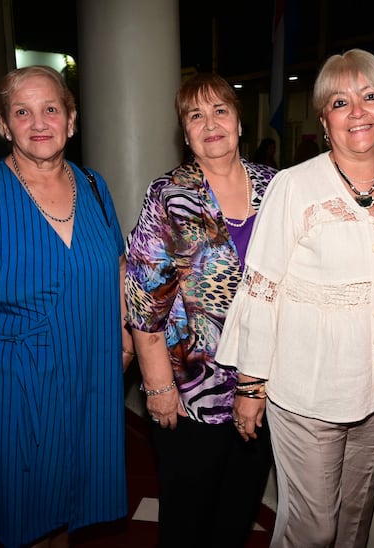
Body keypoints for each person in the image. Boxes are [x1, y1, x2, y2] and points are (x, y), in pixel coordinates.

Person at [217, 48, 374, 548]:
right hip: (306, 392)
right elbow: (261, 289)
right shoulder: (294, 186)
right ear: (323, 119)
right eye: (340, 102)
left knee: (355, 521)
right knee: (312, 529)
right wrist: (250, 388)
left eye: (371, 96)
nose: (357, 111)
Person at [0, 65, 129, 547]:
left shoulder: (95, 187)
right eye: (22, 112)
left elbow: (117, 272)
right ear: (3, 124)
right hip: (12, 394)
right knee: (25, 522)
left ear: (71, 120)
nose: (39, 122)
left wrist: (124, 348)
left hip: (88, 388)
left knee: (69, 511)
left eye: (51, 109)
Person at [124, 73, 277, 548]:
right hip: (190, 392)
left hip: (267, 388)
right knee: (187, 521)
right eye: (196, 115)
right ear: (184, 132)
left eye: (220, 111)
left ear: (238, 120)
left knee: (237, 514)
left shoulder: (278, 188)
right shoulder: (168, 196)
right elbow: (144, 301)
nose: (210, 123)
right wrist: (158, 387)